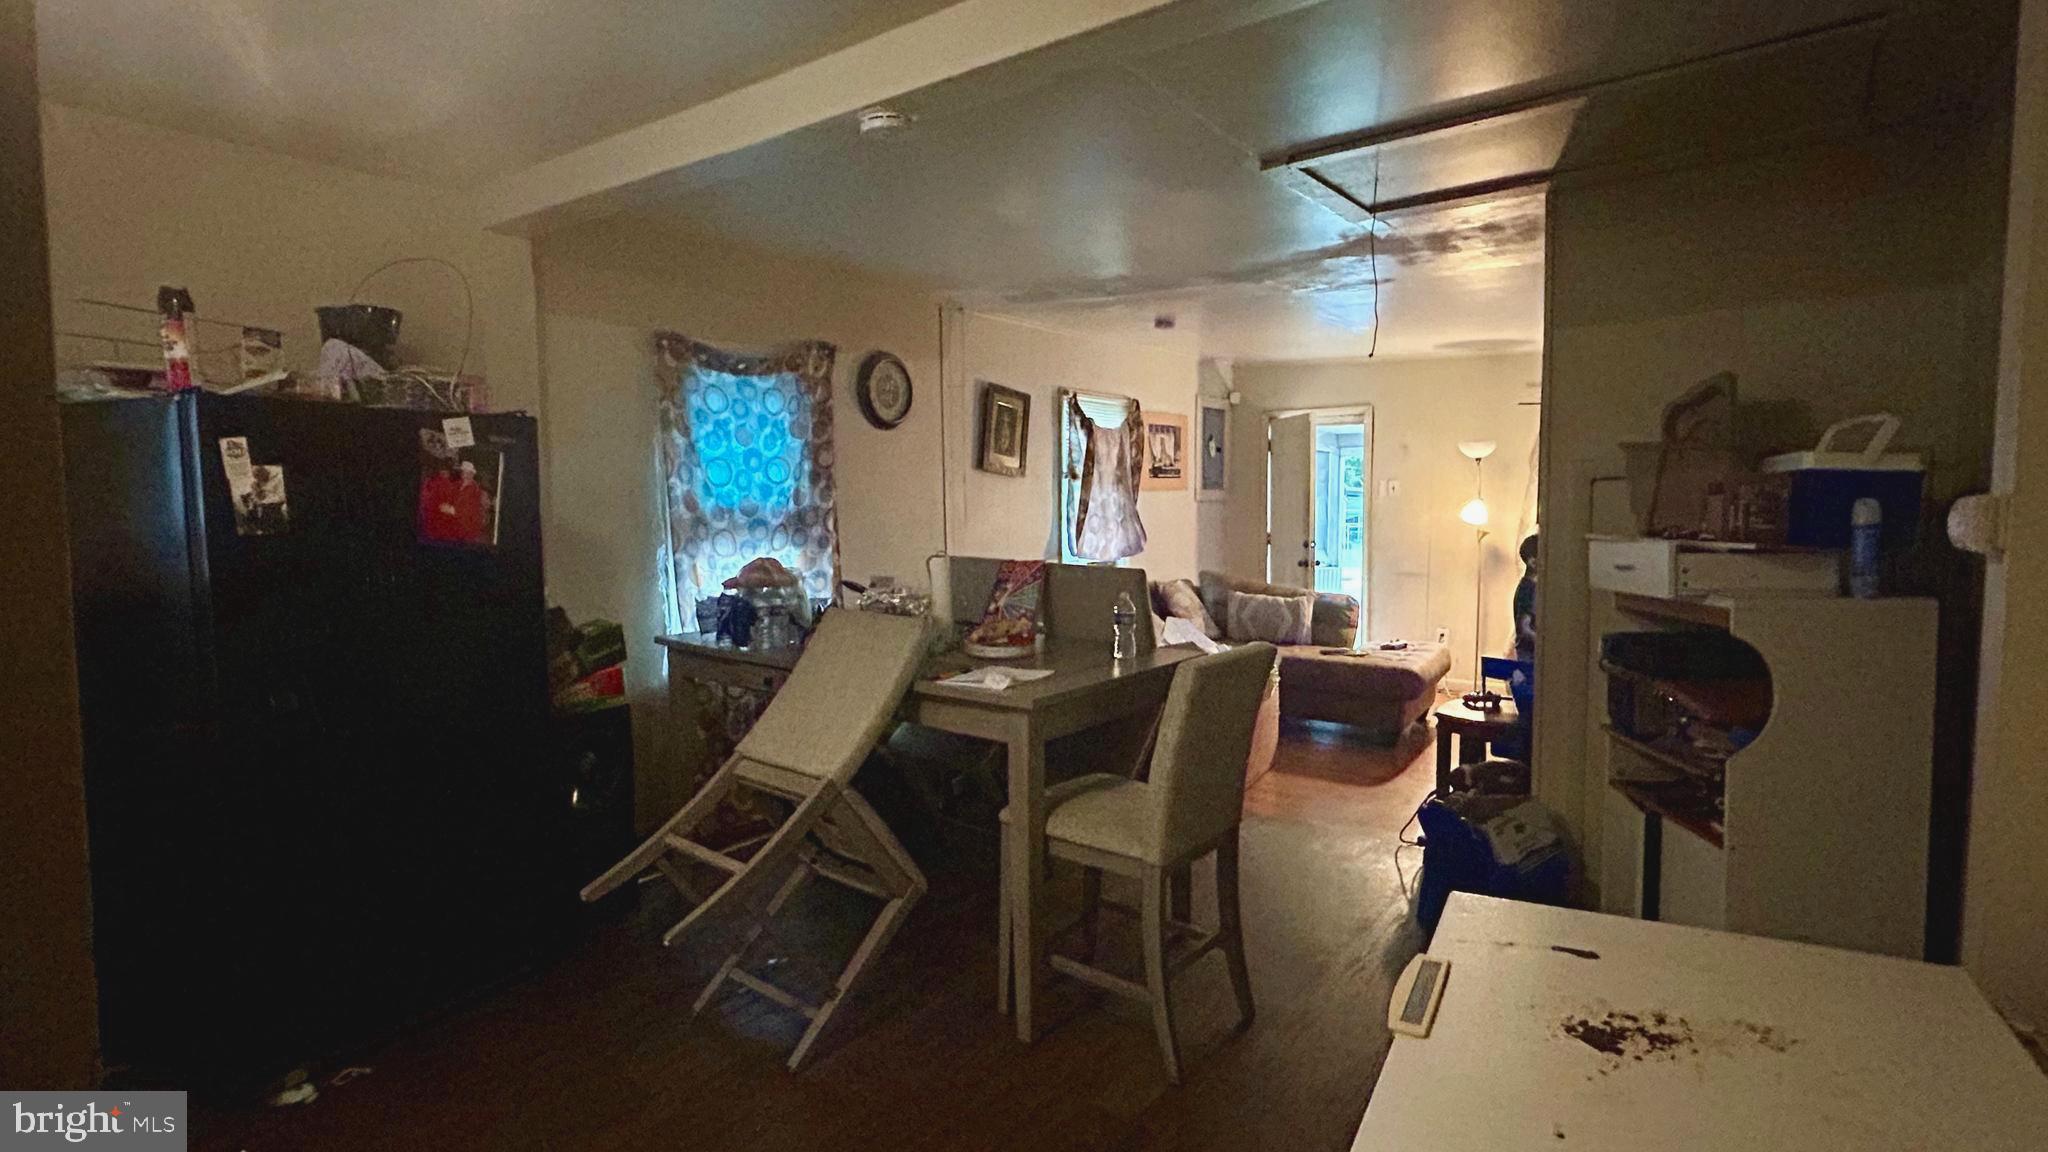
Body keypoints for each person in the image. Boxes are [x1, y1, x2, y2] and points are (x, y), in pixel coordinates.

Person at [1512, 533, 1539, 661]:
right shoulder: (1528, 589)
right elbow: (1524, 627)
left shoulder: (1529, 587)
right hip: (1528, 654)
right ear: (1533, 562)